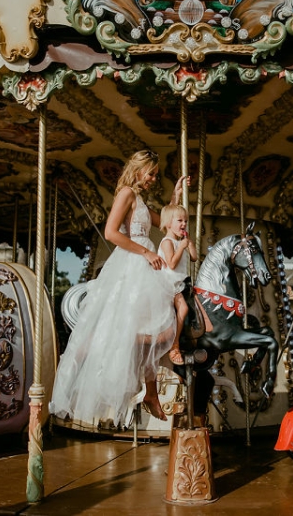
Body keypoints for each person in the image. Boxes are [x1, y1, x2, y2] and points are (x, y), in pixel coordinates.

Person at [49, 150, 187, 425]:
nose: (153, 179)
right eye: (151, 174)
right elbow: (111, 232)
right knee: (136, 329)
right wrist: (145, 253)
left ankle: (150, 391)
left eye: (156, 175)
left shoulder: (140, 199)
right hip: (133, 264)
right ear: (138, 171)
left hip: (146, 265)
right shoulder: (125, 193)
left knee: (153, 329)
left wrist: (176, 197)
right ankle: (119, 381)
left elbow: (165, 222)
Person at [158, 203, 198, 365]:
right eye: (180, 220)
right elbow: (172, 264)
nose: (184, 224)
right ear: (168, 223)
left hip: (180, 283)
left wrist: (189, 243)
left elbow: (194, 258)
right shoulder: (167, 242)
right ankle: (174, 345)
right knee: (184, 308)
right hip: (168, 283)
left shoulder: (180, 241)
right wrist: (181, 247)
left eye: (186, 221)